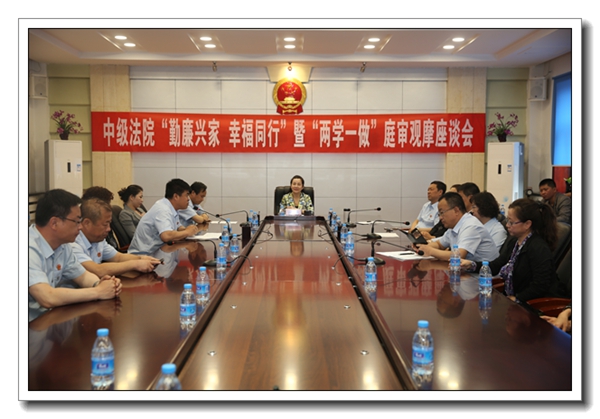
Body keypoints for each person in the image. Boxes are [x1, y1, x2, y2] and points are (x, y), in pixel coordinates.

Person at [28, 189, 122, 310]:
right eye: (76, 221)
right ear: (54, 223)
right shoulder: (28, 249)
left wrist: (100, 283)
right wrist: (98, 292)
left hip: (52, 315)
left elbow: (83, 276)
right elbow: (47, 297)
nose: (80, 226)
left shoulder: (63, 246)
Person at [461, 198, 565, 302]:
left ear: (527, 224)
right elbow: (495, 266)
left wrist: (517, 299)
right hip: (515, 297)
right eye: (507, 221)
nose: (507, 225)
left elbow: (540, 285)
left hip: (537, 303)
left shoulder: (538, 247)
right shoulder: (513, 241)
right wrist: (471, 265)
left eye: (511, 222)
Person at [71, 198, 161, 277]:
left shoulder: (98, 240)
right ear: (87, 223)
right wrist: (136, 264)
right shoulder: (73, 243)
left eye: (109, 224)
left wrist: (142, 258)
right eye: (105, 224)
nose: (109, 229)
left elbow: (118, 257)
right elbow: (98, 270)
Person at [415, 192, 499, 262]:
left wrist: (430, 251)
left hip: (483, 274)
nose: (440, 217)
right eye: (439, 214)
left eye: (442, 212)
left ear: (456, 210)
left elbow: (459, 255)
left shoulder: (471, 226)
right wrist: (421, 247)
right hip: (464, 270)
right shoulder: (454, 226)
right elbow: (439, 244)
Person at [128, 179, 200, 254]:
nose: (188, 199)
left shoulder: (172, 208)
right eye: (186, 195)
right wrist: (187, 232)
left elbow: (177, 227)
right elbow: (166, 236)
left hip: (158, 251)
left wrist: (187, 229)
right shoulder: (163, 209)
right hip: (144, 255)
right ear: (176, 196)